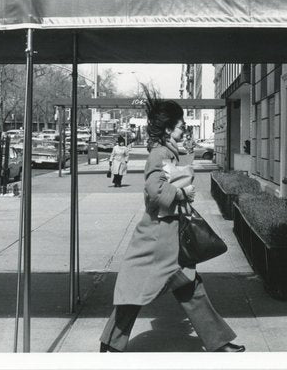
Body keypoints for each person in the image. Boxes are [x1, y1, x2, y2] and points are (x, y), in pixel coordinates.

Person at [99, 88, 245, 353]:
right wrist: (181, 192)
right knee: (139, 292)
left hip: (168, 239)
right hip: (157, 240)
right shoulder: (160, 154)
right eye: (180, 126)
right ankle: (111, 343)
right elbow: (154, 191)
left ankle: (218, 342)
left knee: (190, 289)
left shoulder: (168, 151)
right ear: (167, 129)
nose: (184, 129)